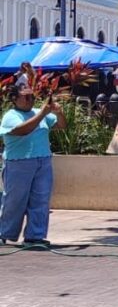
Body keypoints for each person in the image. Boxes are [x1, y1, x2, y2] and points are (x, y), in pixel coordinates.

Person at [0, 85, 67, 245]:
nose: (31, 100)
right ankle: (4, 232)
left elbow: (61, 125)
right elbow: (23, 130)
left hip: (42, 161)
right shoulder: (11, 116)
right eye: (26, 97)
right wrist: (43, 113)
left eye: (32, 97)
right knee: (15, 201)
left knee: (41, 199)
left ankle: (35, 236)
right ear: (14, 99)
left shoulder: (38, 112)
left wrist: (58, 113)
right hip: (19, 163)